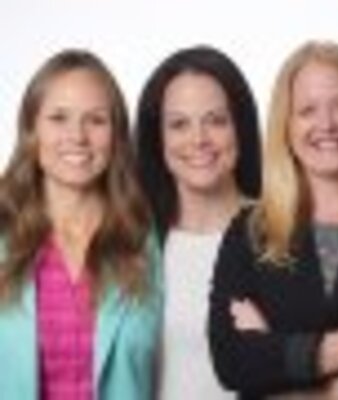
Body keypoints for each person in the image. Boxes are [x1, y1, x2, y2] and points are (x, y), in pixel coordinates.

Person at [209, 40, 338, 399]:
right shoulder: (251, 231)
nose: (326, 124)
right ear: (286, 125)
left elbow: (260, 362)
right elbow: (233, 361)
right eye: (307, 110)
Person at [0, 49, 162, 400]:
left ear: (116, 135)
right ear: (31, 129)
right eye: (58, 117)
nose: (77, 136)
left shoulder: (144, 238)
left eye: (96, 120)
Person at [134, 45, 262, 399]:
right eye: (179, 124)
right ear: (158, 138)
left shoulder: (284, 233)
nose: (199, 139)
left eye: (216, 121)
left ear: (240, 128)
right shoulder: (134, 245)